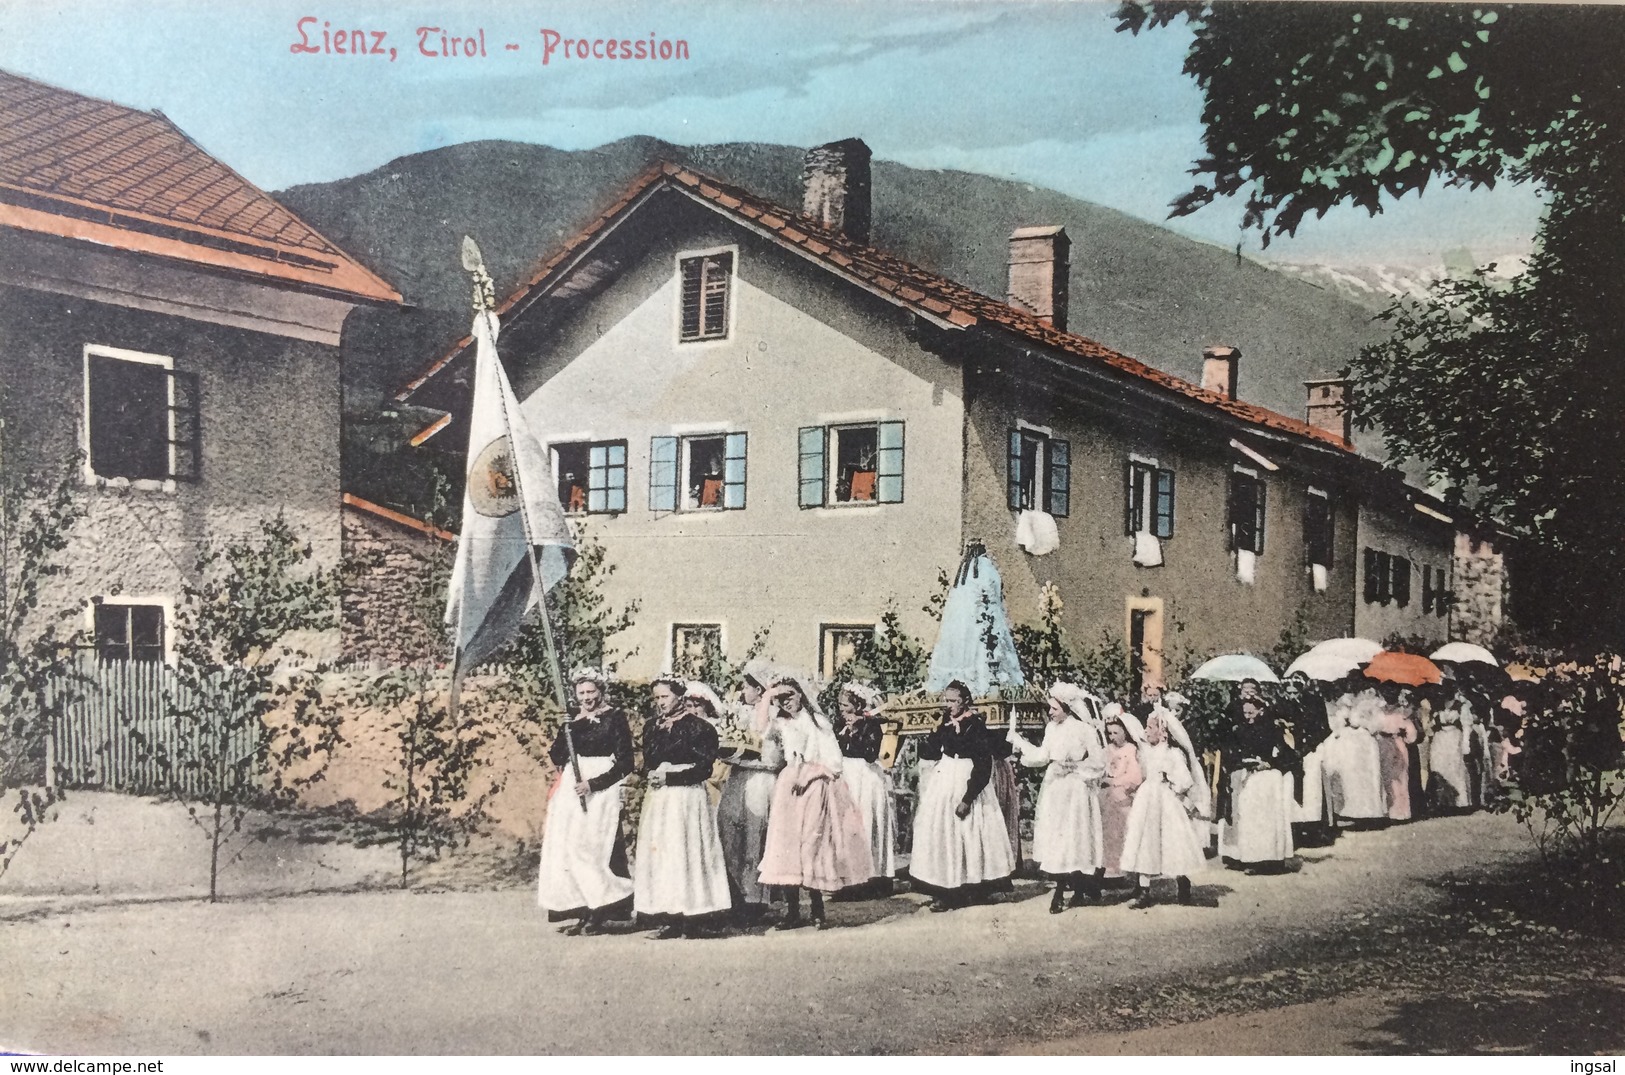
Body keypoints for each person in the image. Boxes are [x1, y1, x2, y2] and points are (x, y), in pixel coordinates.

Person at [756, 675, 872, 929]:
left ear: (802, 695)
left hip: (814, 786)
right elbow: (760, 728)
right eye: (782, 699)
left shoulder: (818, 722)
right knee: (787, 847)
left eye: (791, 696)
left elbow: (834, 763)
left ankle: (817, 909)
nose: (786, 703)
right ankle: (793, 911)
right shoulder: (782, 723)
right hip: (789, 787)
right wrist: (768, 695)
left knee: (812, 845)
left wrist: (809, 774)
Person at [536, 668, 635, 934]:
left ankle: (600, 911)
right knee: (568, 848)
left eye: (591, 692)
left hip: (601, 787)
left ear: (601, 691)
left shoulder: (614, 718)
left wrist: (594, 784)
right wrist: (567, 727)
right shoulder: (573, 721)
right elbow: (557, 755)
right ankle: (581, 908)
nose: (586, 698)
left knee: (592, 850)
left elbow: (627, 762)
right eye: (581, 693)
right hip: (572, 787)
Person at [634, 678, 732, 938]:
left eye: (664, 697)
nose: (660, 703)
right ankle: (670, 917)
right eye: (656, 698)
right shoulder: (652, 727)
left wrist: (671, 777)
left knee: (686, 851)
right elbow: (649, 760)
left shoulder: (699, 728)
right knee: (664, 853)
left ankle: (694, 917)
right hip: (661, 797)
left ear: (679, 696)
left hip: (687, 796)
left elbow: (704, 769)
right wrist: (652, 774)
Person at [910, 680, 1015, 911]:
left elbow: (983, 764)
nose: (948, 705)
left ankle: (972, 888)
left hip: (966, 778)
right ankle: (945, 890)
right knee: (940, 833)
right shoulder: (946, 723)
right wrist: (935, 730)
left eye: (953, 701)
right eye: (946, 700)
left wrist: (968, 798)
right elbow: (930, 751)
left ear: (964, 701)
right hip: (945, 777)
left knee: (970, 832)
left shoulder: (975, 726)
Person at [1008, 683, 1107, 912]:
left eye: (1054, 708)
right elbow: (1043, 755)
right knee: (1058, 838)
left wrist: (1074, 767)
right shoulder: (1051, 729)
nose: (1050, 712)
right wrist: (1020, 742)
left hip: (1075, 790)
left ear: (1067, 707)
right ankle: (1064, 888)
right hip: (1055, 789)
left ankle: (1073, 889)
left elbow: (1099, 762)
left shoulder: (1085, 730)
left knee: (1074, 837)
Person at [1119, 707, 1208, 908]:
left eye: (1150, 728)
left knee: (1172, 840)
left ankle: (1182, 881)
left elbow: (1186, 781)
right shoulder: (1146, 753)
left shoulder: (1173, 754)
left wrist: (1170, 780)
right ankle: (1144, 890)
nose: (1146, 731)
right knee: (1145, 841)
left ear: (1163, 732)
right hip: (1147, 800)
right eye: (1147, 727)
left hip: (1166, 801)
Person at [715, 668, 782, 919]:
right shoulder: (739, 714)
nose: (743, 691)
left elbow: (774, 757)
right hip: (737, 778)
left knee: (756, 835)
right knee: (730, 831)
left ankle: (756, 898)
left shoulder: (775, 716)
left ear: (760, 690)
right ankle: (733, 895)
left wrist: (747, 759)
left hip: (761, 780)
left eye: (747, 687)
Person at [1217, 695, 1299, 871]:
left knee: (1266, 819)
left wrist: (1269, 763)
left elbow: (1288, 755)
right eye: (1245, 712)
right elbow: (1232, 754)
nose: (1248, 716)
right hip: (1248, 777)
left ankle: (1271, 859)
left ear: (1261, 710)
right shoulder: (1239, 730)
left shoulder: (1273, 730)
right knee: (1248, 817)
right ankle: (1251, 859)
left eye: (1251, 712)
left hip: (1267, 779)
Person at [836, 682, 897, 889]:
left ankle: (872, 877)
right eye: (841, 705)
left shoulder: (870, 725)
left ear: (857, 704)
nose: (843, 709)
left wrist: (856, 729)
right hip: (847, 775)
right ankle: (849, 878)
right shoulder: (840, 723)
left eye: (846, 705)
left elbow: (871, 754)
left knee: (866, 821)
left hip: (865, 776)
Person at [1322, 677, 1387, 825]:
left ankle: (1370, 812)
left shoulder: (1371, 701)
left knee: (1368, 775)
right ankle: (1353, 811)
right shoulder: (1344, 701)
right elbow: (1337, 723)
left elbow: (1377, 724)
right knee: (1351, 775)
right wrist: (1344, 719)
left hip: (1365, 741)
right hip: (1350, 742)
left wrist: (1362, 722)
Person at [1282, 674, 1335, 844]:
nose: (1292, 693)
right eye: (1289, 690)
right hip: (1290, 752)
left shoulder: (1314, 702)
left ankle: (1316, 829)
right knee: (1291, 788)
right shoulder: (1282, 705)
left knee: (1313, 789)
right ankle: (1295, 829)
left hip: (1311, 751)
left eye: (1296, 688)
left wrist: (1308, 745)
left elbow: (1325, 728)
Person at [1098, 705, 1144, 881]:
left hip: (1123, 794)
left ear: (1125, 731)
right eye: (1109, 734)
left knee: (1121, 831)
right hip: (1106, 795)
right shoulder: (1108, 749)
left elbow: (1135, 775)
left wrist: (1115, 781)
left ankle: (1121, 870)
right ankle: (1105, 870)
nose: (1112, 737)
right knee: (1106, 833)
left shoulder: (1131, 750)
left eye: (1116, 733)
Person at [1374, 683, 1421, 821]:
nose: (1390, 696)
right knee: (1385, 777)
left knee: (1400, 777)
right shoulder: (1378, 711)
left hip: (1398, 743)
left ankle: (1401, 812)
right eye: (1387, 693)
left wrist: (1403, 734)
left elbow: (1412, 735)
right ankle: (1386, 810)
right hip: (1382, 744)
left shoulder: (1403, 712)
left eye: (1392, 693)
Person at [1427, 687, 1474, 812]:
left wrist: (1466, 743)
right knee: (1439, 767)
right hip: (1440, 739)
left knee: (1455, 767)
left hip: (1454, 737)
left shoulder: (1461, 707)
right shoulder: (1437, 707)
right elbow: (1430, 725)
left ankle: (1459, 802)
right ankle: (1442, 802)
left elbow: (1466, 726)